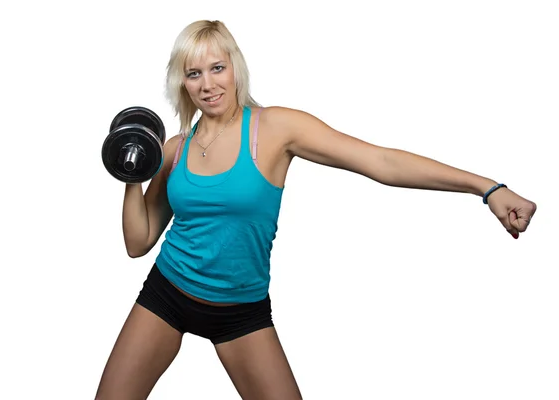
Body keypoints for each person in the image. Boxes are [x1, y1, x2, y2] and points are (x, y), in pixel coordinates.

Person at [95, 20, 537, 400]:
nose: (208, 84)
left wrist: (486, 187)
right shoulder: (174, 149)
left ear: (235, 69)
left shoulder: (273, 128)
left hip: (240, 310)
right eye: (195, 73)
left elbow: (380, 162)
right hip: (166, 295)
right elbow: (139, 242)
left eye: (217, 68)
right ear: (182, 82)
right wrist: (133, 172)